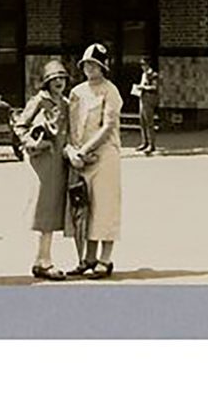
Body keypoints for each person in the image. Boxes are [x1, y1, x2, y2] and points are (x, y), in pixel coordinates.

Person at [68, 43, 123, 278]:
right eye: (87, 64)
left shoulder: (110, 91)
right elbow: (71, 125)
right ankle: (87, 258)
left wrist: (86, 149)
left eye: (95, 64)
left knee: (105, 207)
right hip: (81, 158)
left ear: (104, 67)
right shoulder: (77, 92)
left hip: (104, 156)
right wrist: (74, 152)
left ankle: (105, 259)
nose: (90, 68)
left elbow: (108, 126)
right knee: (85, 208)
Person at [14, 59, 72, 280]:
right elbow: (20, 125)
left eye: (62, 78)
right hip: (42, 163)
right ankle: (45, 261)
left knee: (52, 210)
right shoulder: (39, 100)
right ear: (46, 82)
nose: (59, 82)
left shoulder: (65, 103)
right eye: (54, 78)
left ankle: (41, 259)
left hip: (59, 162)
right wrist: (34, 143)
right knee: (45, 210)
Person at [134, 56, 160, 155]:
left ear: (148, 65)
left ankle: (151, 144)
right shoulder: (143, 75)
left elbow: (154, 87)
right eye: (141, 65)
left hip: (149, 99)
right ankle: (144, 142)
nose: (142, 67)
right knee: (142, 122)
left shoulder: (153, 75)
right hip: (142, 98)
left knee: (149, 122)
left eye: (143, 64)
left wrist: (143, 87)